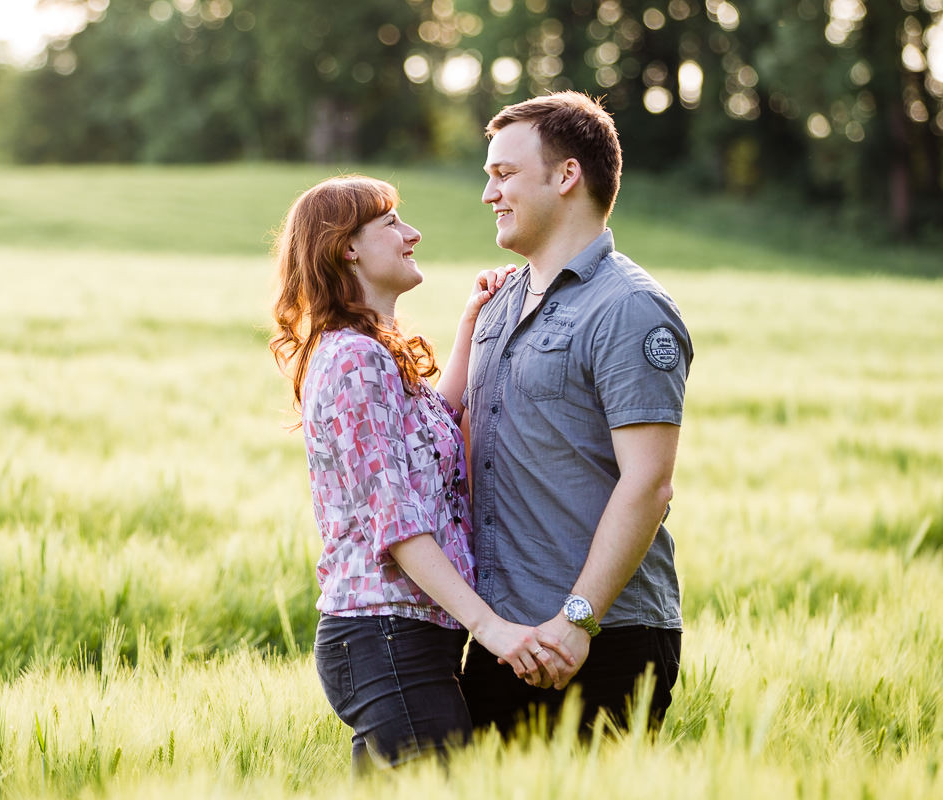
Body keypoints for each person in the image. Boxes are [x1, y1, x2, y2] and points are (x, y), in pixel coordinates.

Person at [269, 175, 575, 773]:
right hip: (384, 636)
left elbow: (441, 424)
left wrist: (470, 323)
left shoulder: (374, 352)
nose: (412, 234)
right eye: (391, 224)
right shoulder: (355, 359)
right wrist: (491, 629)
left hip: (402, 638)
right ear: (347, 247)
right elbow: (399, 523)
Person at [458, 92, 694, 737]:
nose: (489, 194)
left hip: (605, 637)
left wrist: (576, 621)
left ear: (566, 176)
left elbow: (648, 482)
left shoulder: (630, 309)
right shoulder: (496, 306)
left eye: (504, 174)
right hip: (505, 639)